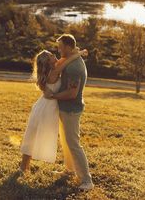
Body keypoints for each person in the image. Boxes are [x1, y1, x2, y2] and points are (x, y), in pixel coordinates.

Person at [20, 48, 87, 173]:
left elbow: (64, 59)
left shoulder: (50, 70)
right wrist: (79, 54)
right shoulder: (55, 71)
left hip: (42, 106)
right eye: (51, 55)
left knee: (32, 135)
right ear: (48, 62)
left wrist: (74, 51)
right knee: (33, 135)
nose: (54, 55)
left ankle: (24, 166)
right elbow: (68, 60)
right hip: (47, 108)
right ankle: (24, 167)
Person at [44, 34, 94, 190]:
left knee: (73, 144)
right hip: (65, 108)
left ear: (68, 46)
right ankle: (69, 169)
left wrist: (53, 96)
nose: (58, 50)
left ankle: (87, 181)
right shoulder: (70, 60)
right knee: (65, 142)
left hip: (71, 110)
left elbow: (72, 93)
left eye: (60, 47)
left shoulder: (74, 67)